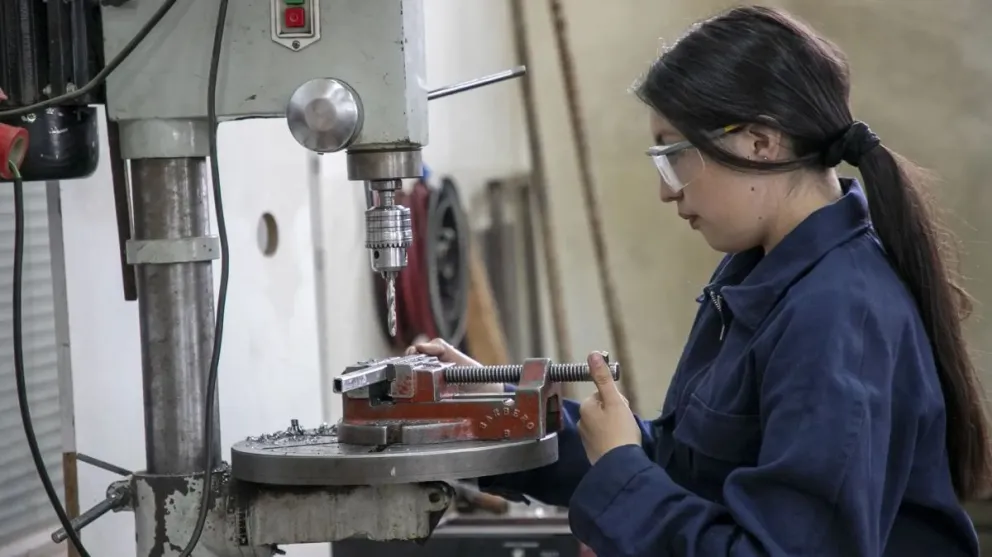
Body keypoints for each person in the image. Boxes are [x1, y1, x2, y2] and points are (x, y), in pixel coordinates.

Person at [408, 5, 989, 556]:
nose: (667, 189)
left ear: (762, 142)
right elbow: (690, 474)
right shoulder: (757, 275)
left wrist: (621, 470)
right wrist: (495, 415)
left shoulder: (837, 316)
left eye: (675, 154)